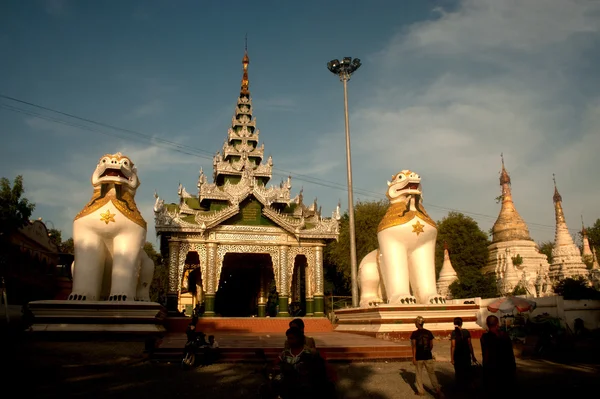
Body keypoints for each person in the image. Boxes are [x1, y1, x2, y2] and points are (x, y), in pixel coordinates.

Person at [277, 327, 329, 399]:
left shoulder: (310, 354)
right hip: (287, 390)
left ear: (299, 339)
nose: (289, 341)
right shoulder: (284, 354)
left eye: (292, 338)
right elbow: (275, 368)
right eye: (288, 338)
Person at [480, 315, 516, 396]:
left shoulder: (484, 338)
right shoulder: (504, 336)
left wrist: (484, 370)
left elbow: (485, 355)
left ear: (487, 324)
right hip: (506, 368)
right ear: (498, 323)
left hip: (491, 368)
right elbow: (511, 354)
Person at [410, 316, 443, 398]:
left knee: (418, 374)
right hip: (428, 355)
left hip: (419, 356)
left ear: (418, 323)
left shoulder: (414, 334)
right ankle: (437, 390)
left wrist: (414, 357)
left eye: (415, 322)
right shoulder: (429, 332)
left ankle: (420, 391)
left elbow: (414, 346)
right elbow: (431, 345)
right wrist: (428, 351)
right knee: (432, 374)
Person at [450, 317, 477, 391]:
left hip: (457, 355)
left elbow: (453, 346)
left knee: (458, 372)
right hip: (466, 354)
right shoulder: (466, 332)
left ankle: (459, 388)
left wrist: (452, 358)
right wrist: (473, 356)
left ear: (454, 324)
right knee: (467, 371)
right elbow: (469, 344)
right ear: (461, 323)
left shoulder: (453, 333)